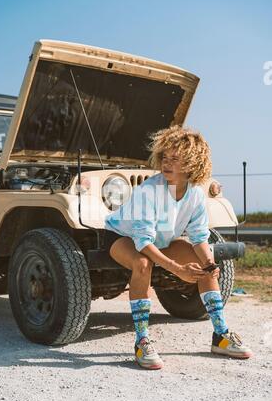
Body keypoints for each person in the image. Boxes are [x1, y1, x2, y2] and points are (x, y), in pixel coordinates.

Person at [104, 125, 252, 370]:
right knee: (142, 263)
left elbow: (199, 237)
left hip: (159, 240)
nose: (166, 162)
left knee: (205, 262)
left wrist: (208, 263)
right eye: (165, 156)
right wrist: (177, 269)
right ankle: (142, 341)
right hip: (121, 237)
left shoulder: (195, 194)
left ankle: (221, 336)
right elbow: (142, 243)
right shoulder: (149, 191)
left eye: (175, 158)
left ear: (192, 164)